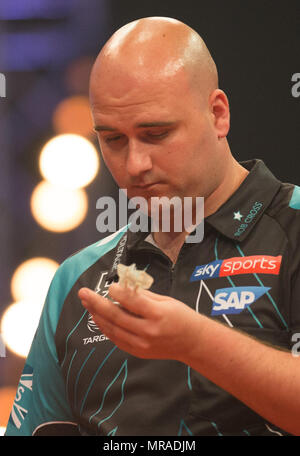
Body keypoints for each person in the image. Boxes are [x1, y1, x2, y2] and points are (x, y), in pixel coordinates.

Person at [5, 17, 300, 437]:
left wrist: (196, 342)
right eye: (113, 140)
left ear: (218, 114)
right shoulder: (76, 279)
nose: (134, 165)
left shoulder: (294, 227)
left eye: (156, 134)